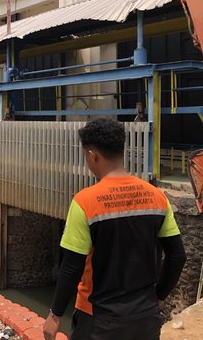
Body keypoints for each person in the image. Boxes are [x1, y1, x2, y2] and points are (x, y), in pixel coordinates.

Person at [43, 118, 186, 340]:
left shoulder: (85, 202)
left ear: (93, 155)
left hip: (99, 320)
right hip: (145, 318)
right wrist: (159, 295)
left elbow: (72, 267)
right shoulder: (157, 197)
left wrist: (55, 315)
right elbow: (177, 256)